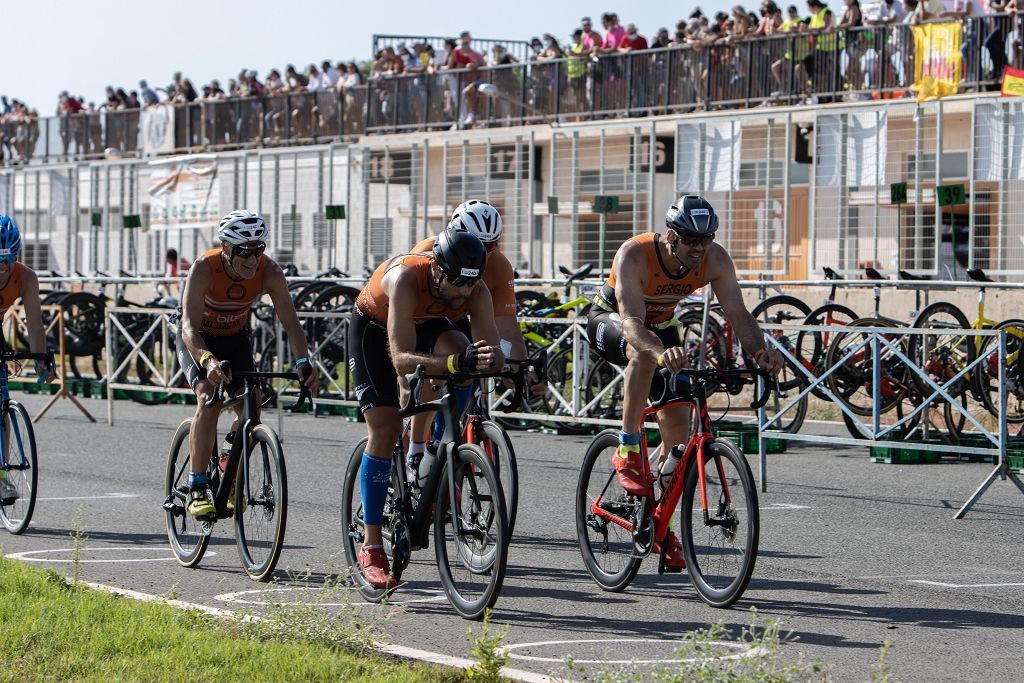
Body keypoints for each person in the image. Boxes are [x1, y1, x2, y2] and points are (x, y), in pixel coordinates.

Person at [585, 196, 784, 571]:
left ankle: (660, 526)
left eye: (706, 239)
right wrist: (660, 354)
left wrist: (760, 354)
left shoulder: (716, 258)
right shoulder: (635, 254)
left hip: (662, 326)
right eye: (691, 239)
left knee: (678, 431)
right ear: (671, 236)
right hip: (612, 320)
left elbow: (738, 314)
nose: (699, 248)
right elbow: (630, 324)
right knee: (642, 353)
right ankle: (627, 448)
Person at [349, 226, 504, 589]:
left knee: (461, 345)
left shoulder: (473, 288)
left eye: (472, 283)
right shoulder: (406, 278)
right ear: (437, 269)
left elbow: (490, 351)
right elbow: (402, 359)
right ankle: (371, 546)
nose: (465, 292)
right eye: (457, 283)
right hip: (375, 330)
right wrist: (452, 365)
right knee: (385, 430)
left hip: (428, 322)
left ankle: (435, 452)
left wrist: (501, 362)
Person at [176, 210, 319, 519]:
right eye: (244, 251)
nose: (253, 259)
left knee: (251, 401)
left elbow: (291, 323)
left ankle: (230, 462)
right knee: (208, 398)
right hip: (198, 340)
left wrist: (304, 361)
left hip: (235, 337)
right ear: (226, 248)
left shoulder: (270, 271)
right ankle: (197, 486)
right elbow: (188, 326)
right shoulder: (205, 268)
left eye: (259, 249)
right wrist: (208, 360)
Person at [407, 200, 543, 457]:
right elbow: (405, 321)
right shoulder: (428, 251)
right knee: (426, 380)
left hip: (467, 318)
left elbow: (507, 328)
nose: (483, 253)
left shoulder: (499, 265)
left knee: (471, 362)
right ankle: (413, 449)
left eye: (491, 246)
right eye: (477, 244)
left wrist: (519, 368)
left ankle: (444, 444)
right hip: (424, 318)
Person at [0, 216, 52, 503]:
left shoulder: (27, 277)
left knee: (1, 400)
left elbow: (34, 324)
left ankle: (1, 475)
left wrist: (41, 359)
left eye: (7, 260)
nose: (1, 268)